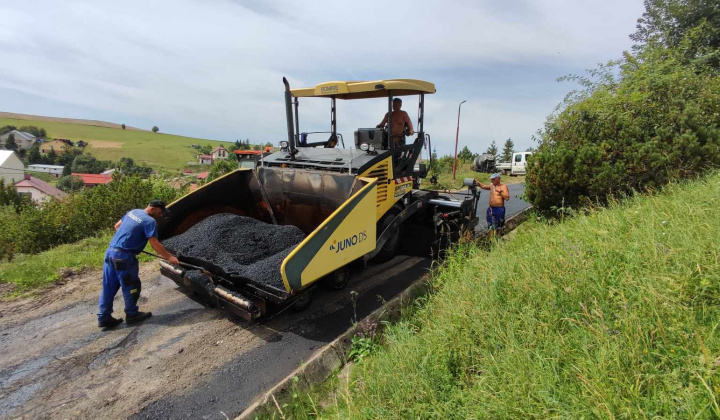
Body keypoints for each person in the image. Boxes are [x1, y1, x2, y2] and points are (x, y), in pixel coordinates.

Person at [97, 200, 180, 329]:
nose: (160, 215)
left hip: (110, 252)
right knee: (131, 285)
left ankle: (104, 318)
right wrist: (169, 257)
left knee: (108, 286)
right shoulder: (150, 221)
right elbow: (154, 243)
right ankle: (132, 314)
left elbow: (117, 226)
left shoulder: (133, 212)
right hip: (124, 258)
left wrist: (129, 240)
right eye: (159, 212)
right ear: (152, 209)